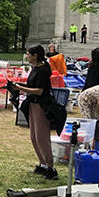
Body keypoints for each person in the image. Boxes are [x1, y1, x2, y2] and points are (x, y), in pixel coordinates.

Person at [13, 45, 58, 180]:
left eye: (28, 54)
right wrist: (17, 86)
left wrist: (21, 88)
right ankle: (43, 164)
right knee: (33, 136)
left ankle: (51, 168)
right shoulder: (35, 69)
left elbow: (40, 90)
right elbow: (32, 86)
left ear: (35, 56)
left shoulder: (43, 70)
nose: (27, 56)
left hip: (41, 105)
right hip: (32, 104)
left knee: (41, 137)